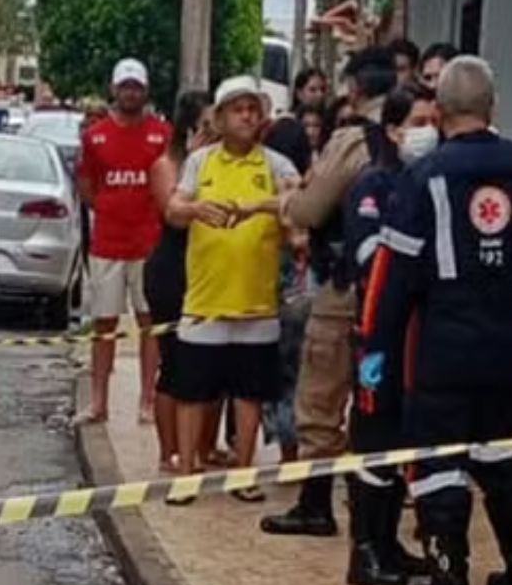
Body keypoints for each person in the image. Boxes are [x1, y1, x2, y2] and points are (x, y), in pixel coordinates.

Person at [358, 56, 512, 585]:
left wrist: (376, 348)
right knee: (502, 452)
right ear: (492, 105)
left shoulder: (424, 176)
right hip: (506, 339)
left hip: (443, 342)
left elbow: (394, 279)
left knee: (438, 458)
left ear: (438, 112)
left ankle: (449, 581)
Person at [264, 48, 398, 536]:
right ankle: (382, 518)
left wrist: (288, 201)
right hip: (406, 291)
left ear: (354, 89)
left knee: (321, 397)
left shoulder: (353, 140)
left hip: (348, 286)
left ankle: (315, 504)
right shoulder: (426, 132)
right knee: (387, 404)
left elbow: (309, 210)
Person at [162, 75, 305, 499]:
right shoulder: (200, 162)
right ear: (220, 118)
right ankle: (187, 473)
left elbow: (297, 203)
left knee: (249, 395)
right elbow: (173, 209)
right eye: (238, 110)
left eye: (252, 110)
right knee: (192, 392)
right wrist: (195, 208)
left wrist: (255, 206)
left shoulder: (276, 164)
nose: (246, 117)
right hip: (205, 299)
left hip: (257, 302)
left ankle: (243, 474)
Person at [338, 88, 438, 585]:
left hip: (417, 337)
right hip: (378, 334)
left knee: (399, 443)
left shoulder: (427, 183)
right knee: (373, 439)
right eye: (418, 122)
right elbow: (371, 260)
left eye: (433, 121)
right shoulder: (373, 186)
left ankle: (388, 542)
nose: (428, 132)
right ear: (394, 131)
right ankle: (365, 552)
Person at [74, 58, 173, 425]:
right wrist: (105, 206)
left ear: (145, 91)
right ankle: (99, 402)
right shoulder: (95, 136)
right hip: (108, 243)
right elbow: (86, 184)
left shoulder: (162, 134)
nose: (130, 93)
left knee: (150, 322)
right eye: (125, 87)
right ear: (114, 90)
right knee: (104, 323)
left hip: (149, 243)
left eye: (136, 87)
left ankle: (147, 400)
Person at [146, 90, 216, 473]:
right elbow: (174, 213)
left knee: (203, 365)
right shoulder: (167, 164)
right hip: (172, 270)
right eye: (207, 124)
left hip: (206, 268)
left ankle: (201, 446)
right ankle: (167, 450)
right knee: (173, 362)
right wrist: (194, 161)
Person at [261, 117, 314, 462]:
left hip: (269, 286)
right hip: (301, 287)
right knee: (301, 371)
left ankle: (287, 451)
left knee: (278, 373)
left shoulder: (264, 180)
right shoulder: (304, 184)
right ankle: (299, 444)